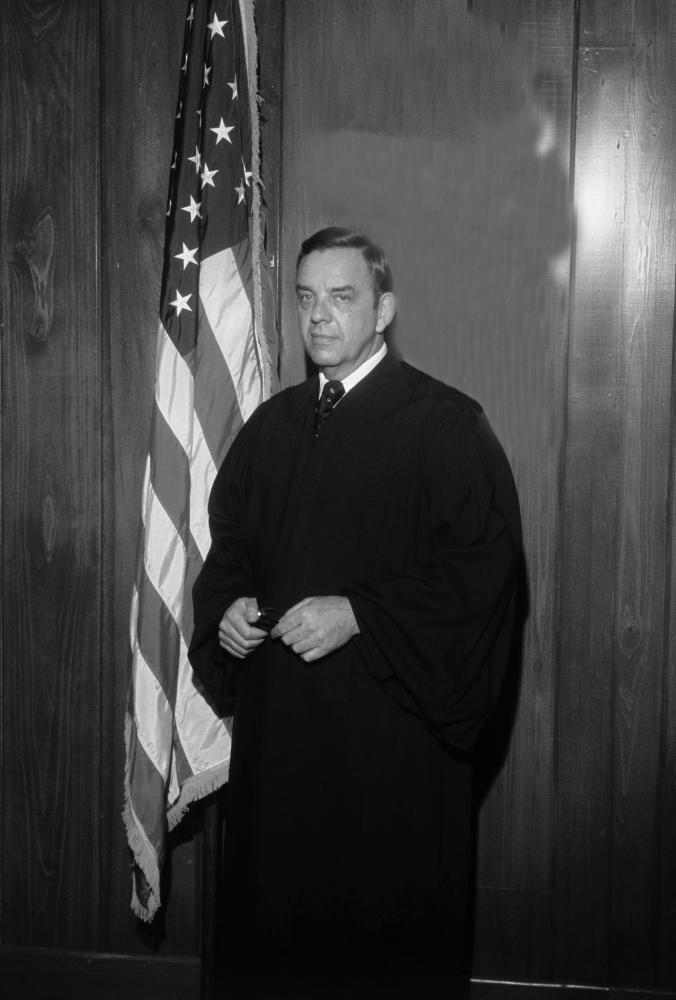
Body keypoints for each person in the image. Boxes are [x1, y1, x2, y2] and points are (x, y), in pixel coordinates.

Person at [189, 227, 523, 999]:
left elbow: (483, 571)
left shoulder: (444, 425)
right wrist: (230, 609)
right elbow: (232, 542)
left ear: (383, 310)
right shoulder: (272, 428)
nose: (319, 317)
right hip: (282, 746)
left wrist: (363, 613)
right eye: (306, 297)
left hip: (388, 748)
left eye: (342, 297)